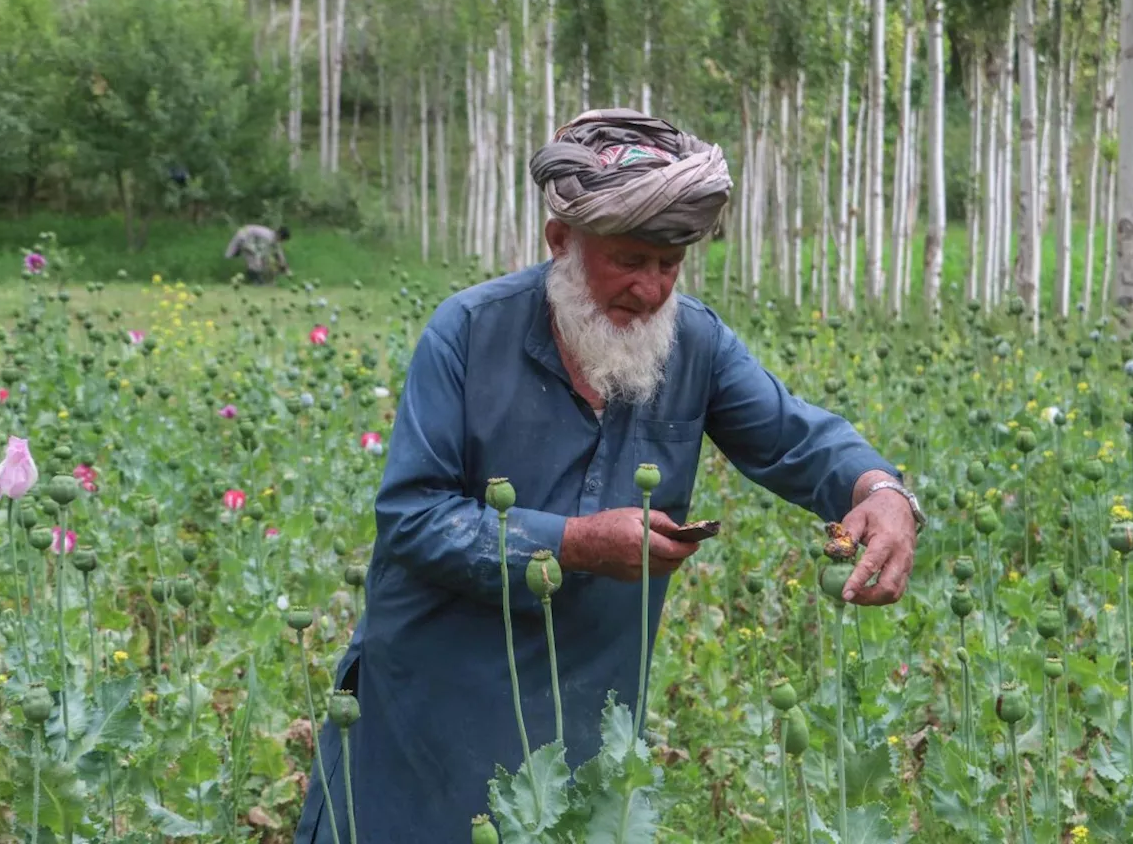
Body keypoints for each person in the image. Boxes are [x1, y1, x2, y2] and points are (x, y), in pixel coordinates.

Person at [293, 109, 922, 844]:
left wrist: (880, 491)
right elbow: (412, 518)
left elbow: (796, 435)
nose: (652, 289)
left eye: (670, 264)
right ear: (561, 239)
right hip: (433, 710)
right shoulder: (467, 334)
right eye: (630, 260)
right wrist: (572, 542)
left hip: (588, 713)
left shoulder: (696, 346)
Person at [224, 223, 290, 284]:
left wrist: (284, 267)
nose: (281, 242)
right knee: (256, 262)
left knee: (259, 261)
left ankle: (256, 280)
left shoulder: (272, 236)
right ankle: (256, 282)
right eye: (282, 240)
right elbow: (259, 252)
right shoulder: (267, 237)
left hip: (247, 236)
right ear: (280, 236)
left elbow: (278, 252)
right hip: (244, 237)